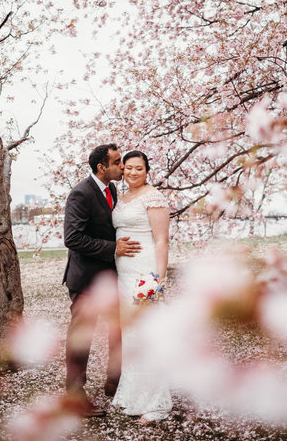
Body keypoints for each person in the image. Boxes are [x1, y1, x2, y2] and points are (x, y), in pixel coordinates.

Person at [63, 143, 141, 417]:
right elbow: (72, 238)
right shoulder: (80, 194)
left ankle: (114, 381)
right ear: (101, 167)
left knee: (117, 331)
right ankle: (74, 395)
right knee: (81, 337)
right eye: (118, 162)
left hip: (112, 278)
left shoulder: (112, 190)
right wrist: (113, 248)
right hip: (86, 280)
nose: (123, 167)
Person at [111, 150, 172, 424]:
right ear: (122, 170)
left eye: (139, 168)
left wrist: (158, 278)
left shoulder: (153, 197)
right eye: (128, 168)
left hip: (145, 273)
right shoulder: (121, 198)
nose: (133, 173)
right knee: (131, 336)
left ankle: (155, 404)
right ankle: (133, 396)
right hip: (124, 274)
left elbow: (162, 241)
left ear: (147, 171)